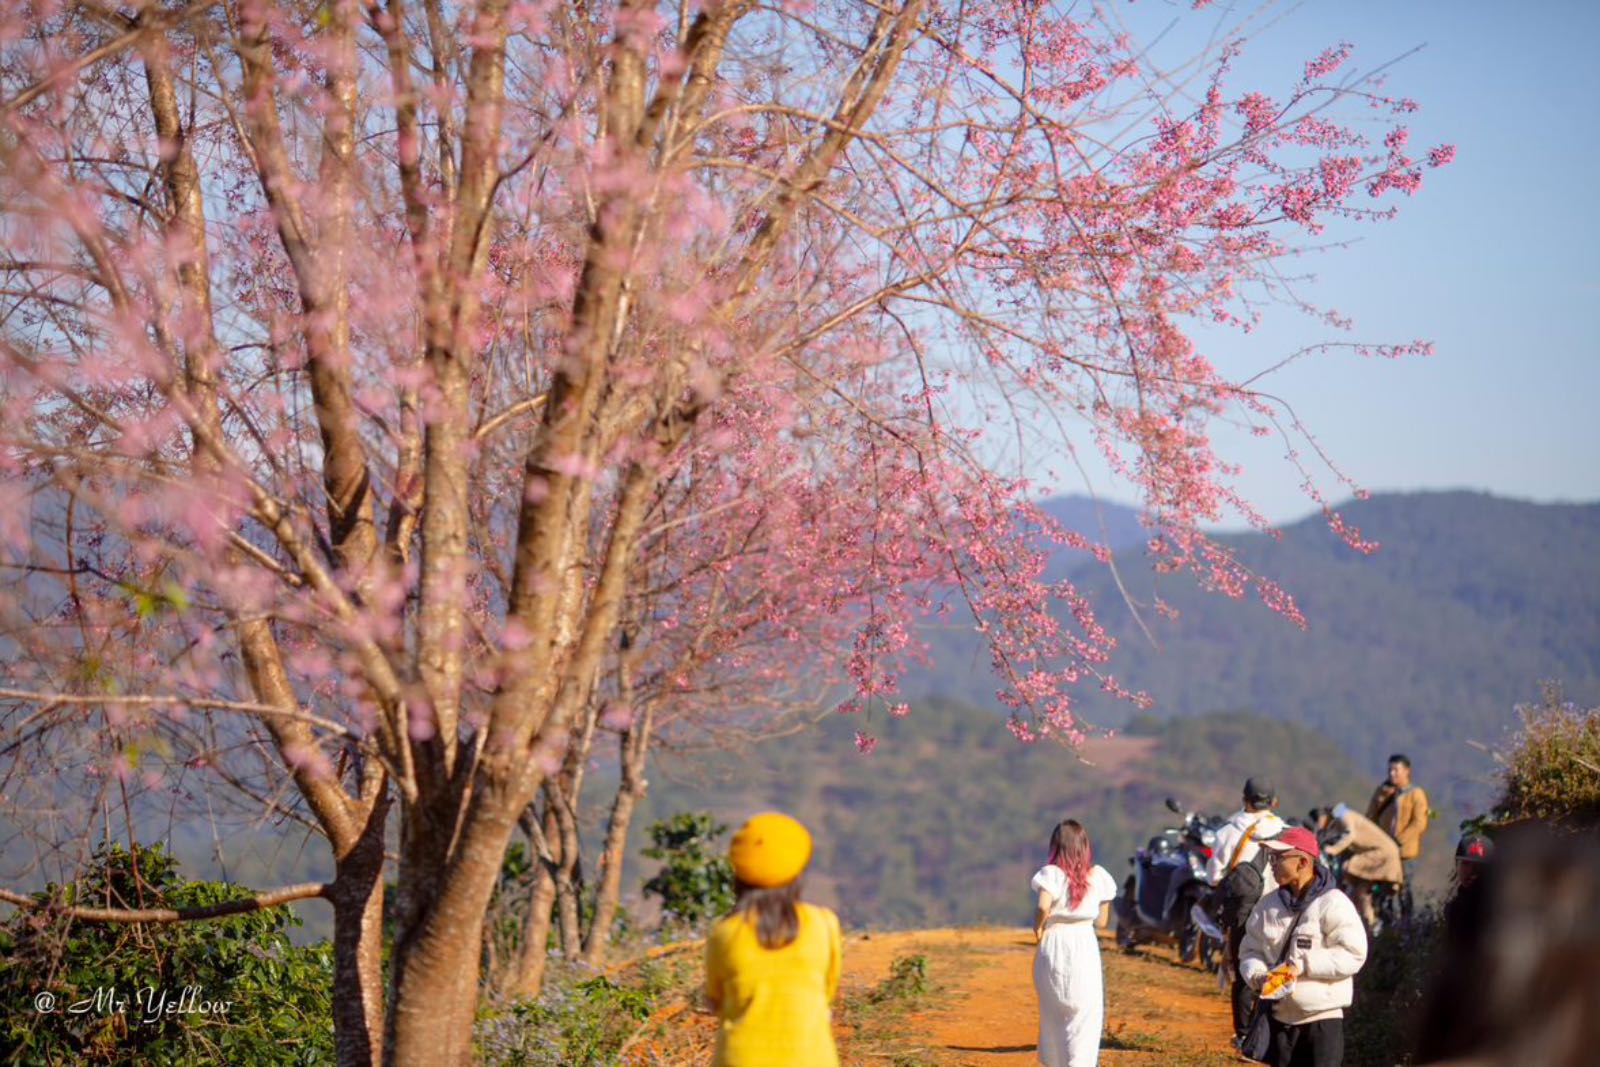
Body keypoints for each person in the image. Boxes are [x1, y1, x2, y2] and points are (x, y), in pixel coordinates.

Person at [704, 812, 842, 1067]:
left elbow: (715, 998)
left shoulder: (724, 933)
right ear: (797, 870)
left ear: (738, 872)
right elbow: (828, 990)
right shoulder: (823, 925)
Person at [1239, 827, 1369, 1067]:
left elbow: (1354, 953)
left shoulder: (1334, 904)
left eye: (1278, 858)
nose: (1272, 864)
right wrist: (1257, 976)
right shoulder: (1266, 906)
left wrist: (1301, 965)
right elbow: (1250, 950)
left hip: (1322, 1022)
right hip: (1279, 1022)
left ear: (1302, 862)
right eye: (1271, 857)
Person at [1030, 818, 1119, 1067]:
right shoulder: (1099, 877)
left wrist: (1038, 927)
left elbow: (1043, 906)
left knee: (1053, 1014)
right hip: (1084, 944)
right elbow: (1102, 922)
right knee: (1085, 1016)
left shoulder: (1052, 875)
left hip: (1054, 943)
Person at [1208, 777, 1287, 1043]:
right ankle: (1270, 1034)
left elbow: (1213, 877)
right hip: (1279, 911)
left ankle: (1243, 1035)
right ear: (1274, 802)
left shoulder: (1227, 831)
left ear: (1245, 800)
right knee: (1277, 967)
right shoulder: (1286, 832)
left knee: (1244, 970)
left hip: (1242, 912)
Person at [1312, 804, 1403, 929]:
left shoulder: (1343, 816)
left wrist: (1333, 850)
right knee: (1361, 893)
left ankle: (1369, 925)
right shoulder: (1342, 818)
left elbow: (1350, 835)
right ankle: (1370, 924)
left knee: (1348, 867)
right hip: (1384, 853)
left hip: (1382, 854)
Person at [1365, 753, 1429, 918]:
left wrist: (1398, 841)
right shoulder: (1384, 792)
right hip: (1383, 852)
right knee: (1382, 891)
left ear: (1407, 771)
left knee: (1404, 890)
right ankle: (1386, 924)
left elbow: (1419, 823)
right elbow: (1370, 817)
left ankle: (1406, 928)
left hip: (1405, 853)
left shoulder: (1416, 794)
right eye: (1390, 770)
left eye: (1396, 770)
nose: (1392, 773)